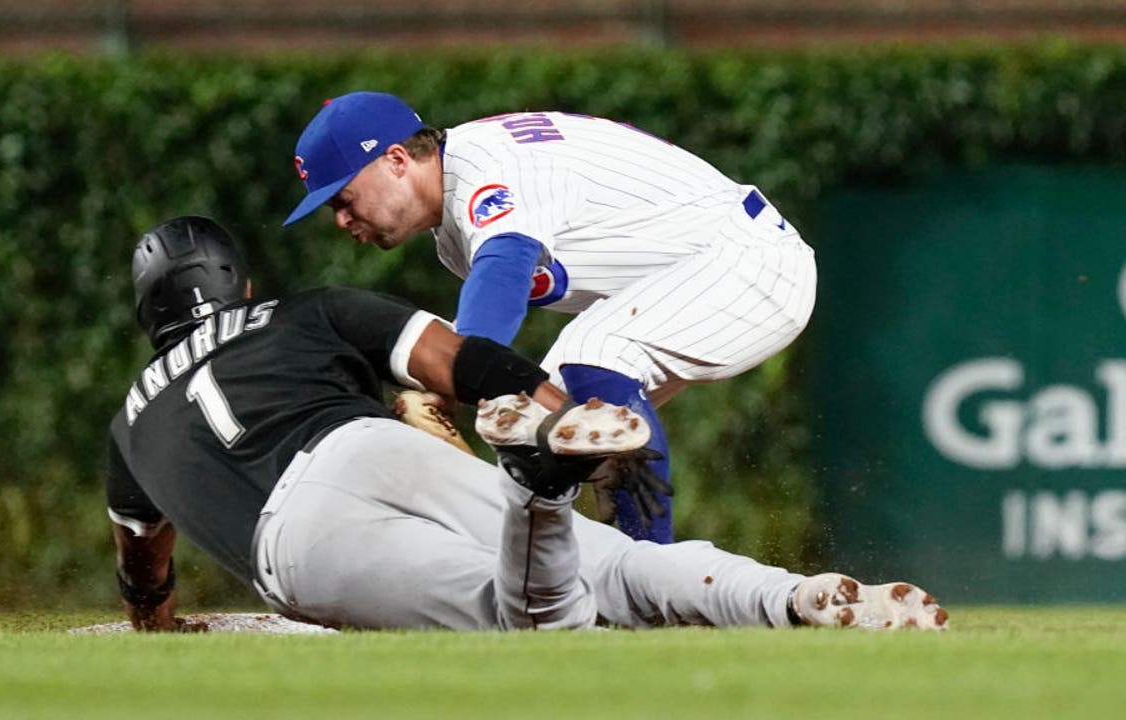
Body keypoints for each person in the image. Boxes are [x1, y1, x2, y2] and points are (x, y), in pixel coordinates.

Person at [105, 215, 946, 633]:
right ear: (240, 286)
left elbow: (144, 563)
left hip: (294, 538)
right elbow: (460, 362)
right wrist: (559, 408)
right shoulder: (304, 310)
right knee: (616, 562)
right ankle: (794, 596)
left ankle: (538, 493)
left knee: (533, 620)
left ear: (151, 315)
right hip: (366, 445)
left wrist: (156, 614)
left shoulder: (130, 423)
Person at [283, 92, 818, 544]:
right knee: (524, 427)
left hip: (752, 263)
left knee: (594, 352)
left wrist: (457, 366)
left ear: (397, 160)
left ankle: (655, 589)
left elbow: (505, 267)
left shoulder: (484, 172)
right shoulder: (450, 226)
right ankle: (553, 592)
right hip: (698, 274)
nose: (341, 219)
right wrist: (452, 385)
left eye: (344, 198)